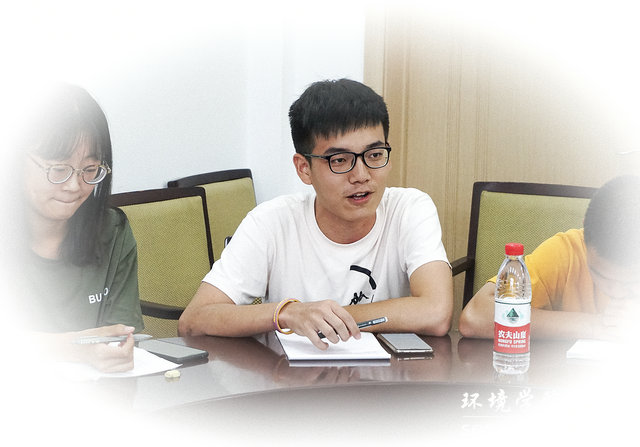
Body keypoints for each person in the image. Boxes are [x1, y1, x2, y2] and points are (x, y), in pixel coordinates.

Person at [179, 78, 453, 349]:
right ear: (304, 169)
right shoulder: (271, 222)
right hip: (289, 375)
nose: (361, 175)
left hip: (387, 375)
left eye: (374, 155)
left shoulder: (409, 209)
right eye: (340, 160)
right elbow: (194, 320)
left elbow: (436, 313)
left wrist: (325, 318)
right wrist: (287, 313)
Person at [8, 83, 144, 372]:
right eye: (58, 169)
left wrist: (118, 352)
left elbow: (119, 336)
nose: (74, 186)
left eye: (90, 170)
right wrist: (75, 349)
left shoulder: (113, 231)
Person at [458, 175, 640, 341]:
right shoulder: (568, 251)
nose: (617, 293)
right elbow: (476, 316)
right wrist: (596, 325)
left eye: (630, 282)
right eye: (602, 277)